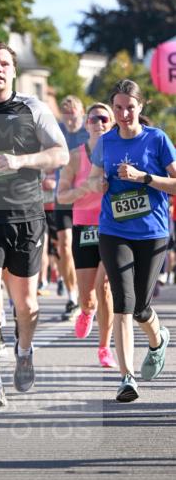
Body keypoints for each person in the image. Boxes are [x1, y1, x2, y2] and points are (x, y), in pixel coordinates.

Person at [0, 41, 68, 409]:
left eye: (5, 64)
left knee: (26, 305)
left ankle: (25, 348)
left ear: (13, 71)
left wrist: (21, 161)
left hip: (25, 217)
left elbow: (60, 153)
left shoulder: (32, 108)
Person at [84, 80, 176, 401]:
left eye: (130, 107)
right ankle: (127, 378)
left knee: (140, 308)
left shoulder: (157, 139)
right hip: (114, 230)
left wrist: (144, 178)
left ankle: (158, 338)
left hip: (152, 232)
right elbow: (94, 178)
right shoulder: (106, 143)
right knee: (123, 305)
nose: (124, 114)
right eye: (118, 108)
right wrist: (99, 185)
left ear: (141, 106)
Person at [56, 103, 116, 368]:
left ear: (112, 123)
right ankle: (85, 309)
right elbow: (61, 195)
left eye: (104, 118)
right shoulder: (75, 156)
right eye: (94, 118)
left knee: (105, 288)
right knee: (88, 295)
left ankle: (105, 347)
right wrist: (87, 187)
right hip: (84, 226)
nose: (99, 122)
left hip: (113, 227)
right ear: (87, 124)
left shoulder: (119, 153)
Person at [56, 95, 88, 320]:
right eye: (65, 113)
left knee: (88, 247)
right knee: (64, 246)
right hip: (64, 195)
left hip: (88, 197)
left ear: (82, 112)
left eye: (73, 111)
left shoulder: (92, 128)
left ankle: (90, 292)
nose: (70, 117)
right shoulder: (56, 130)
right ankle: (72, 295)